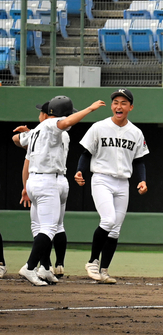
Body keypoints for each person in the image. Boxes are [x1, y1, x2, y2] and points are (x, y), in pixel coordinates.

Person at [19, 96, 105, 286]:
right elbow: (64, 122)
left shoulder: (40, 130)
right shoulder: (51, 125)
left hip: (42, 180)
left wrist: (26, 134)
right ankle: (29, 267)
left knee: (50, 227)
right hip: (46, 180)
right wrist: (89, 109)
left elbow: (18, 139)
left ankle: (45, 267)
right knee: (48, 228)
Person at [75, 88, 149, 284]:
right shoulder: (99, 127)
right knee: (108, 220)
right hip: (101, 178)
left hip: (123, 182)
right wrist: (80, 170)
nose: (119, 106)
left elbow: (139, 160)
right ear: (111, 106)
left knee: (115, 229)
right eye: (116, 102)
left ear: (130, 107)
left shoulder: (135, 132)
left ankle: (104, 270)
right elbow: (86, 153)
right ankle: (92, 262)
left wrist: (142, 179)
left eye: (124, 103)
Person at [12, 102, 70, 279]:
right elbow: (16, 140)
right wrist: (30, 133)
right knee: (51, 226)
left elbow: (23, 155)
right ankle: (39, 267)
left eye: (41, 113)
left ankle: (39, 266)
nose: (39, 116)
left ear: (47, 115)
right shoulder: (47, 133)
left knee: (43, 227)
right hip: (51, 180)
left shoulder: (47, 132)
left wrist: (25, 186)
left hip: (42, 180)